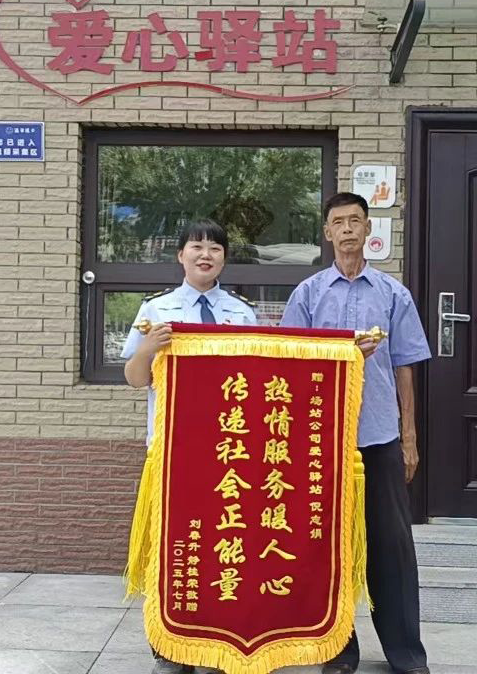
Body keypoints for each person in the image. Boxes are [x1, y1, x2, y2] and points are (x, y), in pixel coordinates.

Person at [280, 192, 431, 674]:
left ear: (369, 230)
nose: (347, 229)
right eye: (338, 222)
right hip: (322, 441)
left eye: (355, 221)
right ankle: (338, 650)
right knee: (327, 546)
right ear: (327, 233)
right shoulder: (307, 294)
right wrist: (343, 354)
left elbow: (406, 366)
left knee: (392, 546)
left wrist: (409, 437)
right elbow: (290, 362)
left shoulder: (393, 294)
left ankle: (406, 654)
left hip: (379, 436)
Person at [121, 219, 257, 674]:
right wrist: (148, 348)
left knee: (223, 546)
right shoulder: (156, 309)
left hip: (228, 455)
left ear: (224, 258)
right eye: (196, 246)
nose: (205, 254)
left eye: (215, 248)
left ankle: (217, 639)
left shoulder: (242, 313)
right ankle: (169, 647)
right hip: (172, 452)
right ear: (180, 255)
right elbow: (135, 378)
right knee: (171, 549)